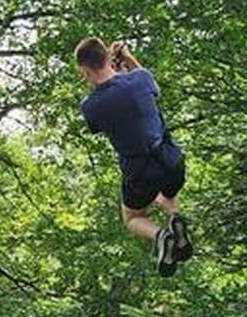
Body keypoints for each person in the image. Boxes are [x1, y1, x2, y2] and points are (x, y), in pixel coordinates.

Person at [75, 37, 193, 277]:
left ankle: (162, 235)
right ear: (108, 58)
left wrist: (114, 74)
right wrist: (127, 60)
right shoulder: (141, 78)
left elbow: (112, 108)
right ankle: (176, 218)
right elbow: (147, 89)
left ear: (85, 71)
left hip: (140, 172)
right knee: (167, 193)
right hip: (171, 160)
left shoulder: (90, 107)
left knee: (131, 217)